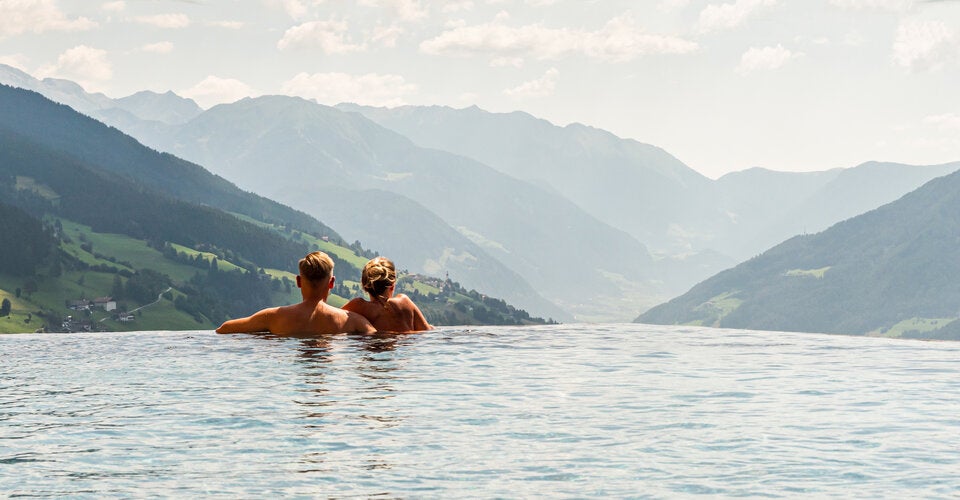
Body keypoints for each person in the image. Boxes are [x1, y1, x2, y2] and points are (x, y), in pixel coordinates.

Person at [216, 251, 375, 335]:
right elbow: (376, 336)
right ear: (332, 283)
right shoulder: (351, 321)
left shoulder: (273, 317)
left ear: (298, 281)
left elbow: (223, 329)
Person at [342, 257, 433, 333]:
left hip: (371, 352)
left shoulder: (358, 307)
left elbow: (332, 319)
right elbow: (426, 331)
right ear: (392, 286)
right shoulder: (404, 302)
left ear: (364, 286)